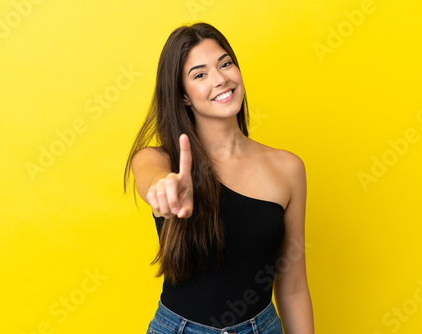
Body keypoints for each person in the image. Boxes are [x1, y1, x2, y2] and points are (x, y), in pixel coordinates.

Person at [124, 22, 314, 334]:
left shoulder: (288, 168)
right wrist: (165, 189)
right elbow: (151, 179)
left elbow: (293, 288)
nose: (221, 79)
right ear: (183, 96)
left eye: (225, 64)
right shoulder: (159, 160)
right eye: (200, 74)